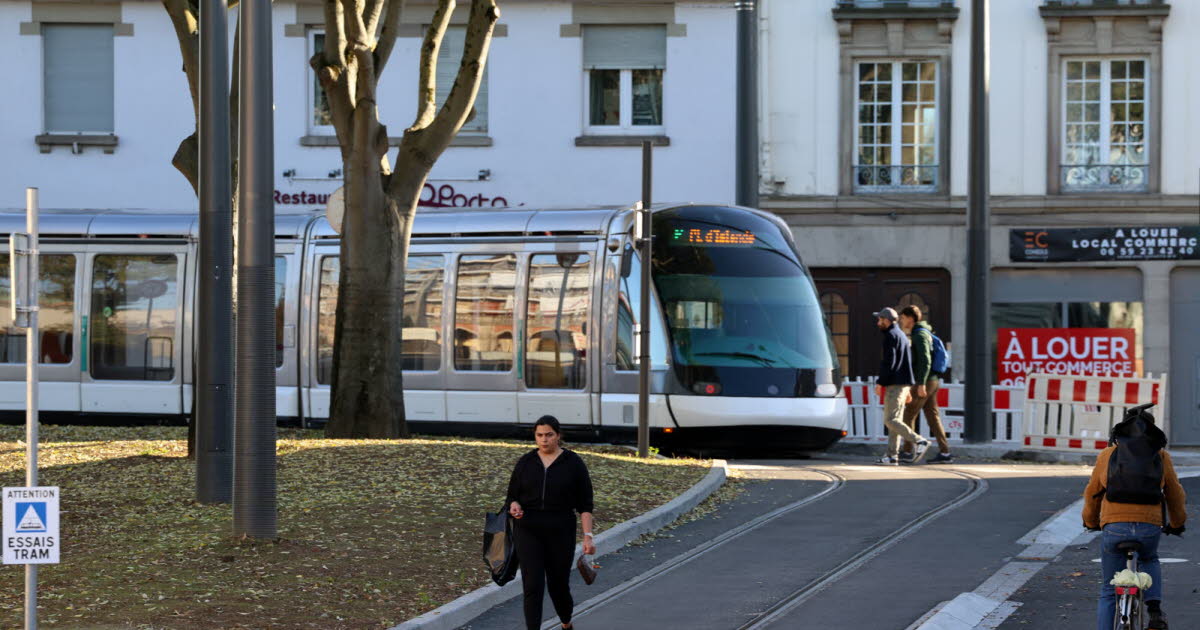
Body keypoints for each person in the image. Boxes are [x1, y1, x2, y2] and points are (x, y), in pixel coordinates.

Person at [1083, 405, 1187, 630]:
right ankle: (1155, 610)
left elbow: (1093, 492)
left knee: (1109, 590)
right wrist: (1177, 524)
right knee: (1149, 558)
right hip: (1149, 526)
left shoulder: (1108, 454)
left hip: (1115, 527)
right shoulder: (1160, 455)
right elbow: (1175, 493)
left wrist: (1090, 521)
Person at [506, 415, 596, 630]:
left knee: (558, 585)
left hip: (560, 529)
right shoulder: (526, 462)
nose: (544, 440)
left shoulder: (573, 463)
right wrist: (514, 505)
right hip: (528, 529)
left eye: (549, 435)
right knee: (533, 585)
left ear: (558, 436)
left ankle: (566, 622)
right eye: (539, 435)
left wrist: (588, 536)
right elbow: (511, 496)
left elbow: (585, 505)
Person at [873, 307, 930, 465]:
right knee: (895, 420)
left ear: (887, 320)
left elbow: (888, 363)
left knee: (890, 420)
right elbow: (907, 363)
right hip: (903, 384)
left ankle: (919, 441)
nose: (878, 322)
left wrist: (880, 382)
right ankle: (892, 456)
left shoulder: (890, 336)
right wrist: (909, 387)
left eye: (880, 320)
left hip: (895, 384)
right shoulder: (902, 336)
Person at [898, 305, 953, 463]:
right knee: (933, 417)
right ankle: (945, 453)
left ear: (910, 318)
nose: (902, 321)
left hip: (926, 381)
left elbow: (925, 360)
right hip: (932, 380)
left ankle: (908, 452)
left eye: (903, 318)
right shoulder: (924, 332)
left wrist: (920, 383)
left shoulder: (919, 335)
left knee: (908, 414)